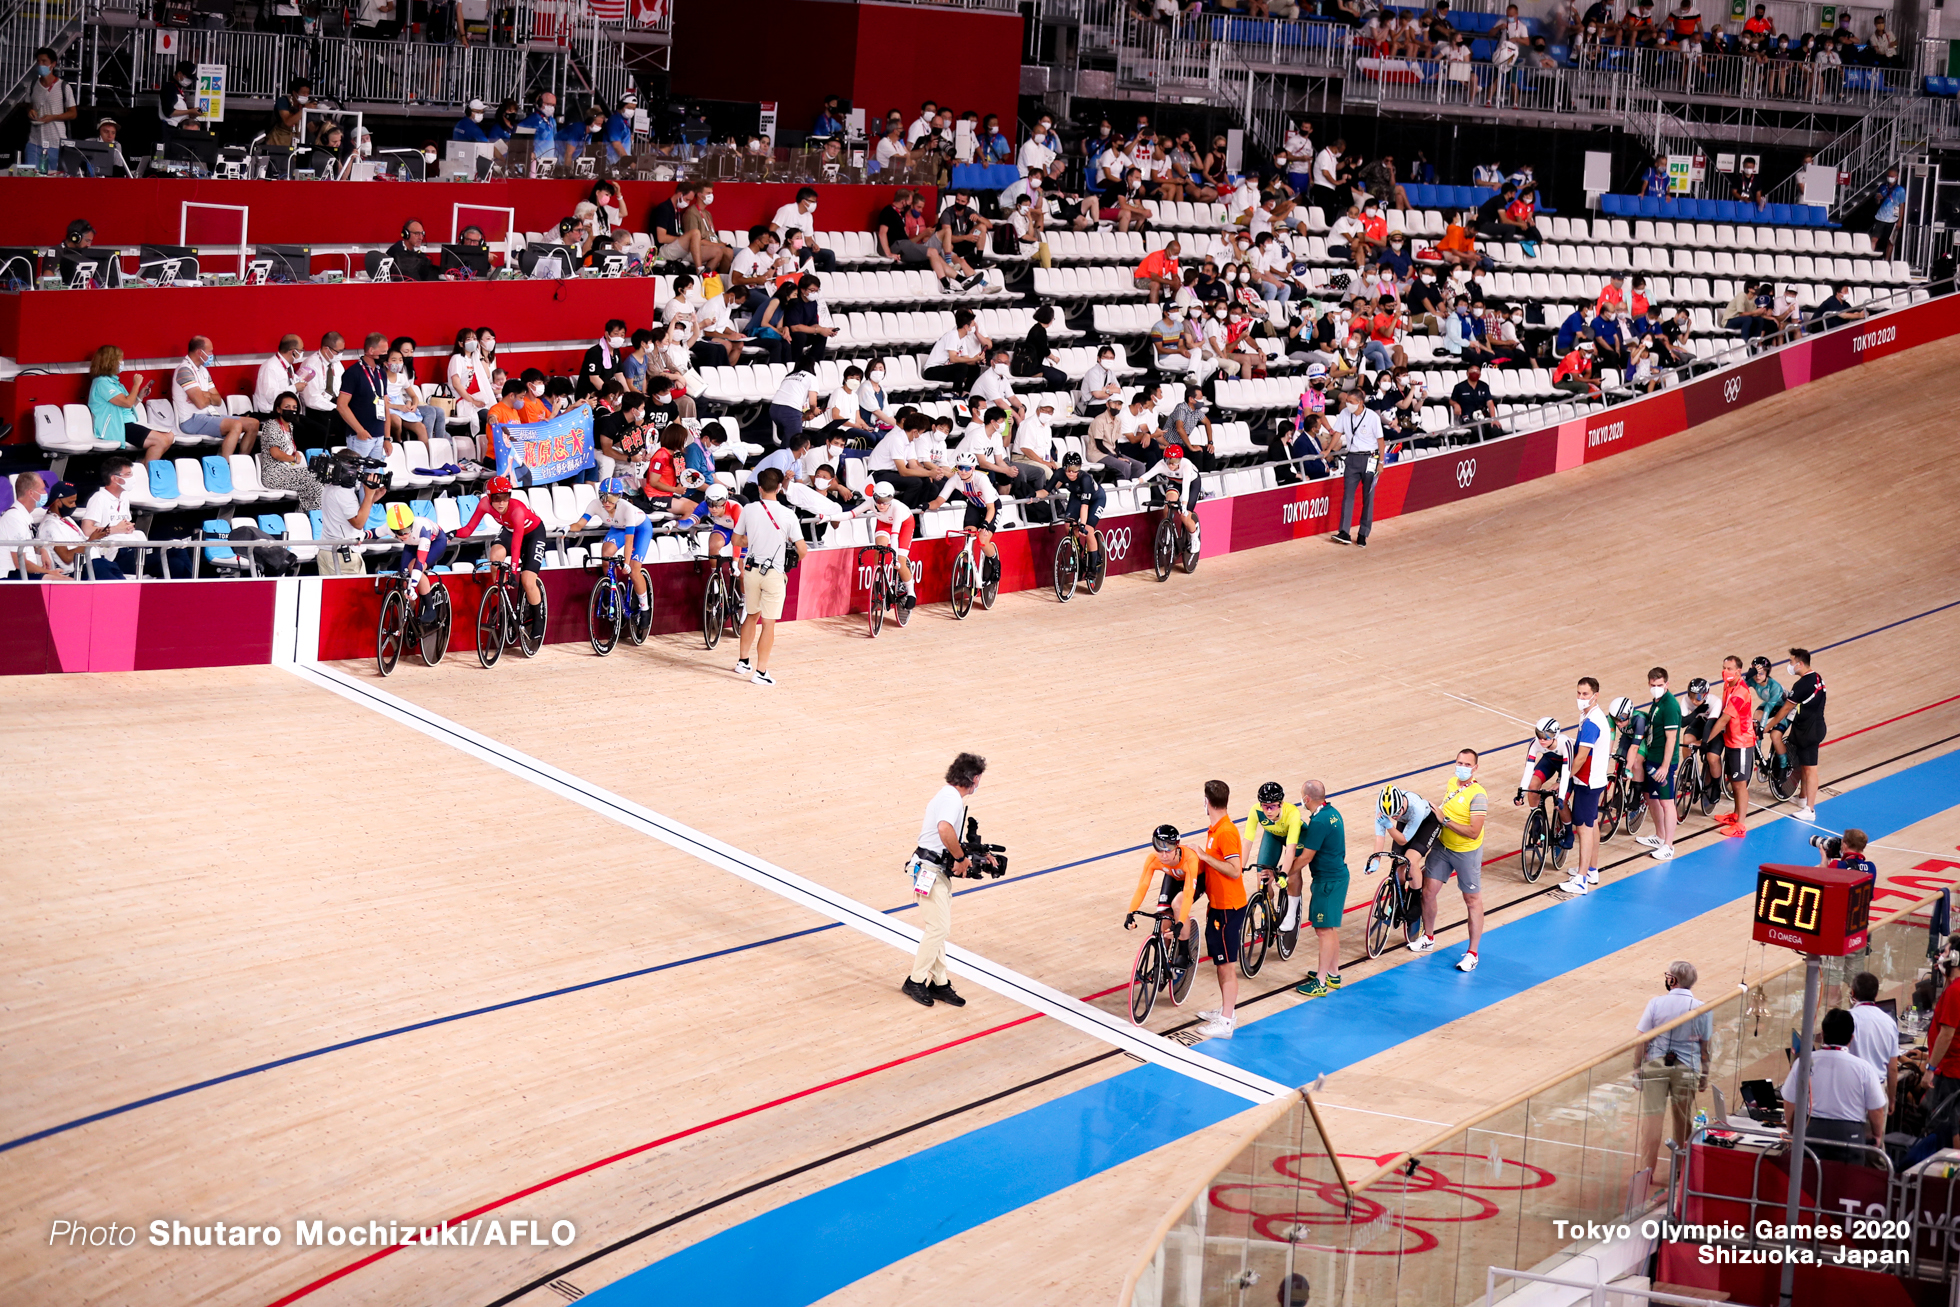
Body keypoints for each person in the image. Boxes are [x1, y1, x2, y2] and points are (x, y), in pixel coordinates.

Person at [903, 753, 987, 1008]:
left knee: (937, 927)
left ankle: (939, 983)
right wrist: (961, 858)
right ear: (974, 778)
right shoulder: (952, 799)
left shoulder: (947, 795)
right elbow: (943, 829)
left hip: (930, 869)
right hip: (928, 871)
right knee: (939, 928)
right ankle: (915, 980)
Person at [1635, 961, 1713, 1180]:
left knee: (1652, 1120)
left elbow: (1642, 1040)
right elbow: (1705, 1047)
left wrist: (1636, 1068)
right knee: (1683, 1120)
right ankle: (1682, 1170)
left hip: (1655, 1065)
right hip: (1687, 1068)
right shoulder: (1702, 1007)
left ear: (1673, 980)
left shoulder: (1655, 1003)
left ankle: (1646, 1172)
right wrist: (1704, 1074)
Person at [730, 467, 804, 686]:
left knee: (751, 615)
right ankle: (761, 672)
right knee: (768, 623)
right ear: (779, 487)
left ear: (759, 488)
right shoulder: (788, 514)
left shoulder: (749, 509)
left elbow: (736, 540)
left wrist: (752, 541)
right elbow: (803, 549)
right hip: (773, 573)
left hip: (751, 570)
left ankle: (743, 662)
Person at [1416, 749, 1487, 972]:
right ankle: (1428, 937)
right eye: (1459, 762)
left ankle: (1473, 953)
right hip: (1443, 847)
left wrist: (1444, 820)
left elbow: (1474, 832)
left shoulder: (1478, 795)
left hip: (1466, 852)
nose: (1462, 767)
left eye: (1467, 764)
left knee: (1472, 900)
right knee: (1428, 892)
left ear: (1475, 768)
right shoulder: (1452, 783)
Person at [1782, 1007, 1888, 1158]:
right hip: (1849, 1135)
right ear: (1852, 1038)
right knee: (1847, 1180)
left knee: (1811, 1179)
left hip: (1813, 1132)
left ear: (1823, 1035)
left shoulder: (1804, 1062)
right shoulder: (1864, 1068)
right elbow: (1876, 1109)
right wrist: (1877, 1135)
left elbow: (1789, 1100)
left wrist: (1792, 1130)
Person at [459, 474, 546, 636]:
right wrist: (451, 534)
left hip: (533, 533)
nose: (501, 503)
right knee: (495, 557)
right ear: (489, 497)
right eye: (497, 498)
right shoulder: (484, 504)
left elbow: (516, 544)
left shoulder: (517, 510)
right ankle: (503, 603)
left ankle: (538, 620)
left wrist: (514, 572)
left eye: (505, 497)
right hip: (509, 530)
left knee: (527, 580)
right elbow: (468, 529)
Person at [1292, 780, 1350, 999]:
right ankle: (1333, 974)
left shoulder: (1319, 822)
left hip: (1327, 881)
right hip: (1337, 877)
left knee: (1323, 931)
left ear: (1307, 798)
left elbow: (1306, 857)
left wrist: (1285, 872)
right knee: (1330, 928)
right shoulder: (1332, 813)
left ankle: (1321, 982)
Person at [1559, 678, 1614, 896]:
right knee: (1591, 825)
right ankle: (1591, 870)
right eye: (1579, 693)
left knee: (1584, 829)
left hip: (1587, 782)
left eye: (1585, 694)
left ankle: (1581, 879)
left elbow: (1581, 758)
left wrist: (1565, 778)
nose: (1581, 698)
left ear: (1596, 695)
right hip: (1594, 780)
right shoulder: (1590, 715)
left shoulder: (1592, 722)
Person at [172, 337, 258, 457]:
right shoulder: (184, 370)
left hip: (209, 415)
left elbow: (218, 401)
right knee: (235, 425)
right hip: (190, 420)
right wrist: (206, 396)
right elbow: (201, 403)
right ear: (199, 352)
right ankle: (223, 464)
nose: (212, 355)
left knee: (253, 424)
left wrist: (205, 394)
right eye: (210, 351)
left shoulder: (203, 371)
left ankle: (241, 461)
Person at [1769, 648, 1827, 821]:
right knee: (1803, 764)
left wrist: (1770, 725)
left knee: (1810, 769)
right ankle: (1802, 798)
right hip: (1808, 727)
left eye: (1791, 662)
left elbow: (1787, 708)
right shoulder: (1817, 677)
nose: (1790, 665)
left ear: (1800, 664)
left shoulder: (1802, 684)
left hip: (1810, 731)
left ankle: (1810, 810)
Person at [926, 453, 1002, 587]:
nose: (964, 471)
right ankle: (967, 567)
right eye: (961, 468)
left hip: (991, 507)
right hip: (974, 506)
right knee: (969, 536)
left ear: (973, 468)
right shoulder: (954, 479)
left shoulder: (981, 479)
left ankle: (996, 564)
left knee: (983, 540)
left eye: (967, 468)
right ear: (956, 468)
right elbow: (939, 501)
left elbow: (991, 508)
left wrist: (985, 524)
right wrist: (925, 505)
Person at [86, 346, 168, 464]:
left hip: (128, 422)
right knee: (160, 441)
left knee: (169, 436)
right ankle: (146, 472)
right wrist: (136, 384)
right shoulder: (102, 383)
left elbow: (127, 405)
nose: (122, 363)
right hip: (118, 426)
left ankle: (141, 465)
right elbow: (127, 403)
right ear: (111, 361)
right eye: (120, 360)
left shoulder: (114, 382)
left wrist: (140, 396)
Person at [1634, 668, 1684, 862]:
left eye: (1659, 685)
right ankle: (1659, 835)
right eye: (1653, 685)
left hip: (1664, 762)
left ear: (1667, 684)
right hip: (1652, 758)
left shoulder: (1670, 706)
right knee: (1651, 797)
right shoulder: (1657, 703)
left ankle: (1669, 845)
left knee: (1666, 801)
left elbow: (1672, 739)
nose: (1656, 688)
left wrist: (1665, 766)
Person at [1707, 655, 1757, 836]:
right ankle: (1735, 815)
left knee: (1739, 784)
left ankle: (1741, 826)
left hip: (1741, 743)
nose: (1725, 671)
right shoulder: (1729, 685)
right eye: (1724, 667)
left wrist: (1707, 740)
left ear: (1738, 671)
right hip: (1731, 740)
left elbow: (1723, 720)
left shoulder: (1740, 693)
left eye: (1729, 669)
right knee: (1733, 779)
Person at [1326, 386, 1384, 546]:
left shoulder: (1372, 417)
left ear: (1360, 403)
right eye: (1346, 401)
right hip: (1352, 458)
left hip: (1370, 459)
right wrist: (1329, 450)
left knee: (1368, 498)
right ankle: (1344, 532)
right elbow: (1337, 432)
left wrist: (1381, 462)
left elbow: (1380, 441)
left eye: (1351, 402)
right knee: (1348, 496)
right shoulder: (1345, 414)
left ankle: (1363, 534)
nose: (1347, 405)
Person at [1373, 785, 1439, 917]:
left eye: (1397, 813)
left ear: (1402, 804)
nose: (1395, 817)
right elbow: (1380, 837)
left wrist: (1390, 825)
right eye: (1392, 815)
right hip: (1407, 821)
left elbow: (1403, 840)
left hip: (1427, 823)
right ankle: (1399, 898)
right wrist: (1375, 861)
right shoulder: (1382, 806)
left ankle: (1415, 902)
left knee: (1410, 861)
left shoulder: (1417, 807)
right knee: (1396, 862)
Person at [1848, 971, 1901, 1122]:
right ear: (1876, 994)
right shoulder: (1889, 1022)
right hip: (1877, 1093)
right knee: (1875, 1143)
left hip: (1851, 1092)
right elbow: (1893, 1069)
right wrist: (1891, 1098)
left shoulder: (1848, 1018)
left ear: (1853, 993)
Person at [256, 394, 322, 511]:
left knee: (319, 475)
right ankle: (307, 514)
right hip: (274, 475)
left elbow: (288, 448)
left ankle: (309, 513)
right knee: (313, 479)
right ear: (278, 409)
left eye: (294, 408)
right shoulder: (271, 425)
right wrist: (293, 459)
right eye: (287, 407)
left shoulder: (290, 426)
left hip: (288, 472)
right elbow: (275, 453)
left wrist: (294, 454)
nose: (291, 410)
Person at [333, 332, 391, 460]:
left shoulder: (381, 373)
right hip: (360, 436)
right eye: (383, 352)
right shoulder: (353, 373)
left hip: (379, 435)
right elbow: (341, 405)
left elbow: (385, 405)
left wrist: (387, 437)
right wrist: (359, 430)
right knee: (354, 477)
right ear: (371, 350)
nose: (385, 355)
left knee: (373, 478)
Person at [25, 48, 78, 172]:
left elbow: (73, 113)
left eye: (44, 61)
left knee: (56, 180)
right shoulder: (32, 85)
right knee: (32, 179)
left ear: (53, 64)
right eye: (38, 61)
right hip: (35, 141)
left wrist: (53, 117)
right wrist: (30, 112)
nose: (40, 64)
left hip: (56, 141)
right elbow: (29, 105)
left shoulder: (63, 86)